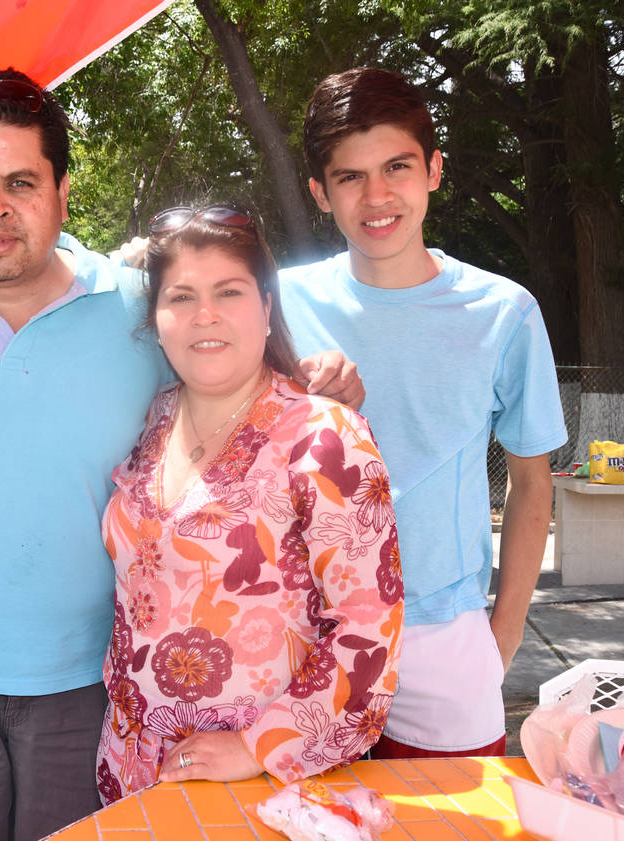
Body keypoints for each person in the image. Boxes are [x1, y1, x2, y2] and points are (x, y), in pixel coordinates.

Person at [0, 69, 362, 841]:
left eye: (20, 182)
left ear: (63, 191)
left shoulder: (139, 307)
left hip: (95, 682)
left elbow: (238, 376)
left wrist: (322, 377)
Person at [279, 67, 568, 758]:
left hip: (442, 635)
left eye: (397, 167)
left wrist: (502, 636)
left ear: (434, 170)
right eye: (350, 177)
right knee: (304, 815)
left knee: (454, 814)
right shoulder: (272, 304)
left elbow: (532, 483)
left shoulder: (504, 312)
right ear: (320, 192)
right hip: (299, 630)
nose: (377, 196)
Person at [95, 205, 402, 802]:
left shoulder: (324, 436)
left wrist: (258, 746)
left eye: (228, 292)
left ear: (265, 307)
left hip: (261, 783)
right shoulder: (154, 416)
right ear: (156, 319)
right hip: (131, 769)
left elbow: (369, 626)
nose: (204, 315)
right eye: (181, 297)